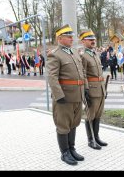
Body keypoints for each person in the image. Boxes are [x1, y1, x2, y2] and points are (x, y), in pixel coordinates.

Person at [46, 24, 85, 165]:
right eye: (68, 36)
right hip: (64, 97)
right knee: (63, 125)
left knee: (74, 123)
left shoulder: (74, 52)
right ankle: (65, 153)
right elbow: (52, 77)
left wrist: (84, 89)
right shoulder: (55, 54)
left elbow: (82, 73)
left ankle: (72, 149)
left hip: (77, 95)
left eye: (71, 36)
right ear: (60, 38)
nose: (71, 38)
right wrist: (59, 95)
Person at [79, 29, 108, 150]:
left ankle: (96, 137)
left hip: (100, 89)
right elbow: (83, 75)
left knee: (98, 115)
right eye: (90, 39)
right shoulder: (83, 56)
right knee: (90, 115)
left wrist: (104, 89)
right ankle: (91, 140)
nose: (93, 41)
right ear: (83, 41)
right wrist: (85, 91)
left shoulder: (95, 54)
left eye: (94, 39)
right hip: (91, 90)